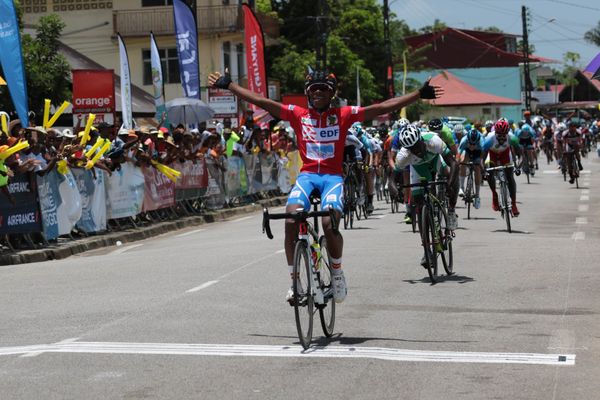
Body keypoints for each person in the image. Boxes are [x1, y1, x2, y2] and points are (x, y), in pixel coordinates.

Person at [209, 68, 442, 303]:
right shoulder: (298, 114)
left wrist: (417, 94)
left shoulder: (343, 114)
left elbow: (380, 108)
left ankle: (338, 275)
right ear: (308, 93)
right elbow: (262, 100)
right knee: (291, 220)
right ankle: (295, 282)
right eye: (314, 89)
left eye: (324, 89)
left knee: (328, 223)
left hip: (332, 178)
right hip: (307, 176)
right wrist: (229, 85)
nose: (319, 92)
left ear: (332, 94)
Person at [391, 124, 458, 267]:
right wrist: (395, 191)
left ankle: (451, 211)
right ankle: (427, 250)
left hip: (435, 161)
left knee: (451, 178)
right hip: (419, 170)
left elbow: (454, 164)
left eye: (417, 146)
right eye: (412, 149)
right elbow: (391, 179)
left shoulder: (433, 141)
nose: (416, 151)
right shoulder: (403, 156)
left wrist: (449, 185)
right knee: (419, 205)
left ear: (421, 140)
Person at [482, 119, 522, 216]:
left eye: (504, 136)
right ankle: (494, 194)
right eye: (499, 135)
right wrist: (483, 170)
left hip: (505, 154)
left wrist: (518, 167)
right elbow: (482, 158)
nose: (501, 138)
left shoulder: (512, 138)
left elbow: (521, 155)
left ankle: (513, 204)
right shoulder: (489, 139)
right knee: (489, 173)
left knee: (510, 177)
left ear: (507, 133)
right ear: (495, 133)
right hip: (492, 154)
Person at [458, 128, 485, 209]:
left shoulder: (481, 142)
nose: (472, 146)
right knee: (462, 162)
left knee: (477, 169)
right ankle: (461, 187)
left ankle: (477, 196)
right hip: (467, 151)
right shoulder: (464, 141)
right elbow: (458, 154)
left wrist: (480, 164)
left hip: (478, 153)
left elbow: (482, 155)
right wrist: (457, 163)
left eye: (474, 144)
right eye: (470, 144)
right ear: (467, 140)